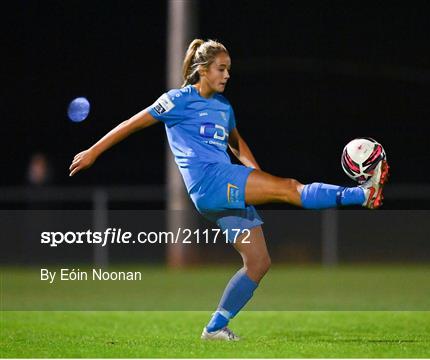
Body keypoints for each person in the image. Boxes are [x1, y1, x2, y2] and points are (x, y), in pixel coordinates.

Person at [69, 39, 389, 341]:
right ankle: (362, 194)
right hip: (211, 181)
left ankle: (215, 328)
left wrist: (256, 175)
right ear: (203, 69)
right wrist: (94, 152)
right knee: (290, 189)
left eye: (228, 69)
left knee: (258, 262)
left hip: (222, 188)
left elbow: (237, 144)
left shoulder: (223, 106)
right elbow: (132, 123)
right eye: (221, 68)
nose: (227, 74)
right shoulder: (178, 100)